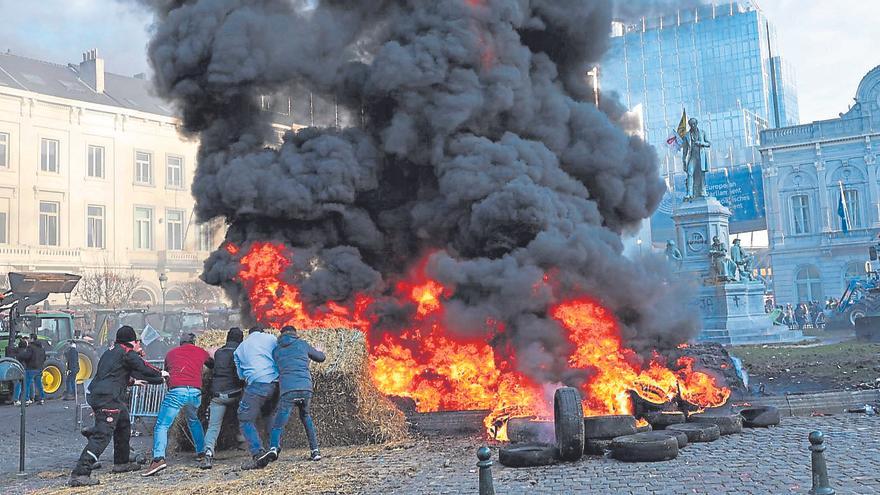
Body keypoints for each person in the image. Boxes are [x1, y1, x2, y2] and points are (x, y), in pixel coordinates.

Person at [69, 326, 166, 487]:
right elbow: (143, 367)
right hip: (109, 399)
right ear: (132, 341)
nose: (138, 345)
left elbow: (112, 374)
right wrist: (161, 374)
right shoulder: (127, 353)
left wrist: (133, 382)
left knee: (123, 424)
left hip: (99, 394)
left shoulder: (111, 352)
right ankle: (80, 473)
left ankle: (122, 462)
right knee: (103, 436)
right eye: (137, 342)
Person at [143, 333, 214, 477]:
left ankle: (158, 458)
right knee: (193, 420)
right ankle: (201, 452)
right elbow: (212, 364)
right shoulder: (200, 351)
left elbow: (167, 372)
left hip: (177, 391)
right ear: (193, 342)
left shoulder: (171, 353)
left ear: (180, 342)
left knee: (162, 425)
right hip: (195, 392)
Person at [268, 326, 326, 462]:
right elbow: (321, 358)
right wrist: (320, 351)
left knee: (278, 424)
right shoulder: (302, 344)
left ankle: (273, 448)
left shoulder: (276, 350)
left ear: (280, 336)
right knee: (306, 417)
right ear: (295, 333)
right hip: (305, 388)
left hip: (288, 389)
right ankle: (315, 451)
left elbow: (279, 366)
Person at [234, 326, 279, 470]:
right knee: (269, 415)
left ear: (249, 333)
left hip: (257, 385)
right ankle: (274, 447)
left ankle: (258, 452)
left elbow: (241, 376)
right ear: (262, 331)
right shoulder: (272, 338)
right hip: (276, 383)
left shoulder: (240, 348)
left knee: (245, 419)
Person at [201, 327, 245, 469]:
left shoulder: (219, 352)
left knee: (213, 426)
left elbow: (211, 364)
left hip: (217, 395)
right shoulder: (240, 352)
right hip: (235, 393)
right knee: (249, 412)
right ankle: (244, 440)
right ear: (241, 339)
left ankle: (208, 452)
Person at [26, 334, 47, 405]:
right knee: (39, 384)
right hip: (39, 368)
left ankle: (27, 399)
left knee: (27, 384)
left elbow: (27, 356)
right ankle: (42, 398)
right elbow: (44, 358)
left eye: (29, 338)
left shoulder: (30, 347)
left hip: (31, 368)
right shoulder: (41, 348)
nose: (28, 339)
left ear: (32, 339)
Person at [11, 336, 30, 406]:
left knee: (17, 384)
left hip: (15, 369)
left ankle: (16, 399)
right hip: (22, 369)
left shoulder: (16, 351)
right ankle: (17, 399)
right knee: (21, 384)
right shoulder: (24, 352)